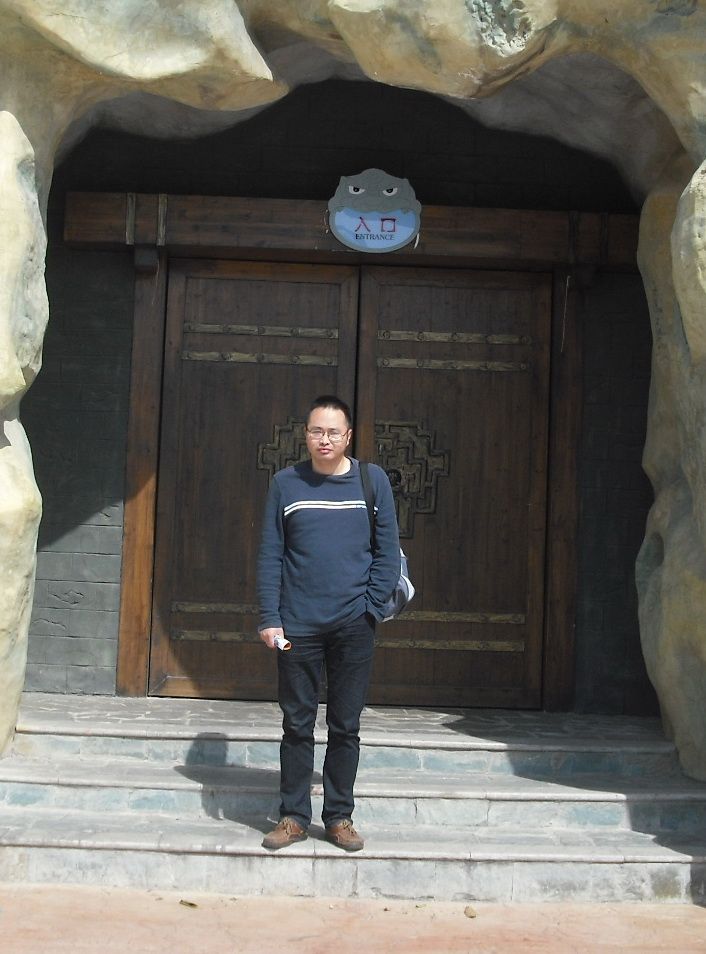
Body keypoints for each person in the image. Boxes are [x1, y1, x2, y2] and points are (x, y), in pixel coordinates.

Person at [257, 395, 400, 851]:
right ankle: (293, 817)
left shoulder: (372, 481)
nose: (325, 439)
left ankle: (339, 817)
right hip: (296, 627)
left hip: (353, 626)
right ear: (306, 435)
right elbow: (271, 554)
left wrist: (370, 609)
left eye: (333, 432)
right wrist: (270, 617)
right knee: (297, 723)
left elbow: (387, 553)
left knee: (345, 724)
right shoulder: (286, 484)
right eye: (317, 431)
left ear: (348, 436)